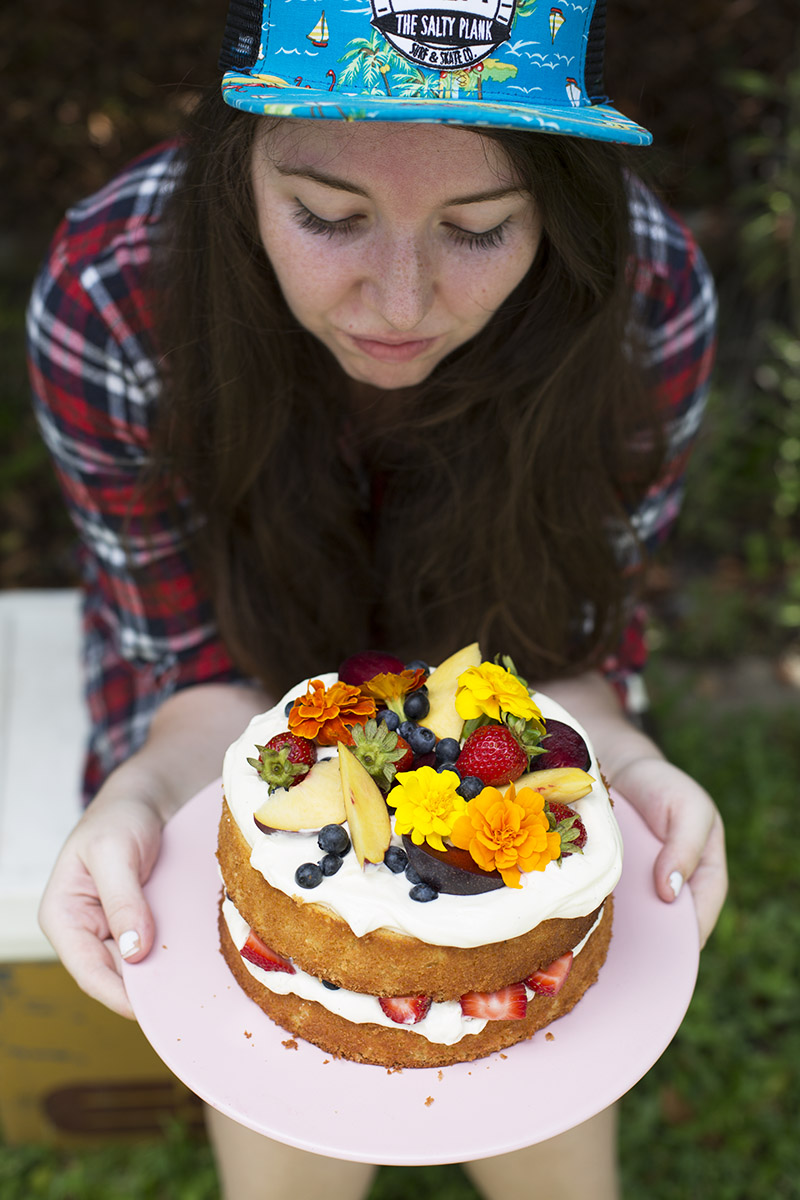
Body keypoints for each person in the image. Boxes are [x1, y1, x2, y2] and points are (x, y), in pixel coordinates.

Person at [29, 0, 727, 1196]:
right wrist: (146, 792)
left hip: (500, 699)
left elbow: (565, 642)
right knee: (289, 1123)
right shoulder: (113, 292)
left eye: (478, 229)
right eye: (327, 216)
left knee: (540, 1088)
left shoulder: (642, 293)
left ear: (555, 207)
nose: (397, 304)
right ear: (233, 163)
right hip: (234, 674)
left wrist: (615, 751)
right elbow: (196, 682)